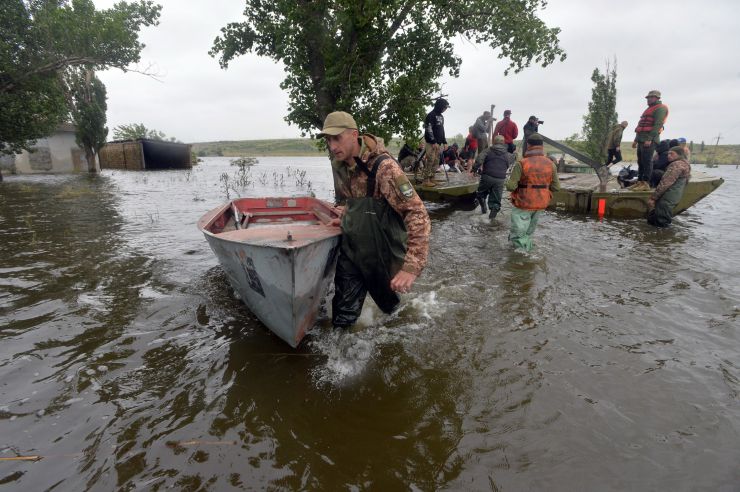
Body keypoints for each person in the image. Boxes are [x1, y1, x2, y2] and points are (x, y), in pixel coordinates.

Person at [322, 111, 431, 328]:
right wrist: (346, 217)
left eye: (337, 138)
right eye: (328, 140)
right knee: (341, 320)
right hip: (352, 252)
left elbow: (417, 214)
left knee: (394, 316)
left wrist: (411, 267)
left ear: (354, 135)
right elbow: (354, 200)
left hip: (382, 255)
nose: (332, 146)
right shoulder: (341, 165)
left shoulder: (384, 168)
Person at [505, 132, 560, 252]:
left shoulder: (522, 163)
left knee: (518, 235)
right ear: (542, 146)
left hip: (523, 203)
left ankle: (520, 262)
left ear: (528, 145)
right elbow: (556, 187)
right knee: (528, 233)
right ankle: (528, 256)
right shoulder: (551, 164)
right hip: (540, 204)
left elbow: (510, 186)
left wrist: (506, 182)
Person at [631, 90, 669, 191]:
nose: (648, 99)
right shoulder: (649, 109)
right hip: (641, 139)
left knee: (647, 161)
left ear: (657, 98)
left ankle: (646, 183)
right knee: (640, 162)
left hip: (649, 140)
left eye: (651, 97)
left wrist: (649, 139)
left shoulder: (660, 108)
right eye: (648, 98)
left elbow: (658, 125)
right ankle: (640, 182)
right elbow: (641, 125)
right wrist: (636, 140)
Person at [647, 146, 690, 227]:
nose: (668, 156)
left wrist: (653, 198)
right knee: (658, 221)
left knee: (661, 222)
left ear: (679, 154)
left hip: (667, 198)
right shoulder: (685, 164)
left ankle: (661, 238)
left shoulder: (676, 165)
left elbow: (665, 183)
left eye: (672, 154)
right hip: (673, 197)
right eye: (668, 154)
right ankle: (662, 237)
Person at [474, 135, 514, 219]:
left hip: (487, 176)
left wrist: (474, 169)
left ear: (494, 141)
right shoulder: (508, 154)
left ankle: (482, 203)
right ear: (503, 143)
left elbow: (479, 160)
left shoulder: (487, 150)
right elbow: (512, 161)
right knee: (496, 198)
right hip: (500, 179)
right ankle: (493, 211)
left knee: (480, 193)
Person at [422, 98, 449, 187]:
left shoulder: (441, 117)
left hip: (439, 143)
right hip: (431, 143)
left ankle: (432, 177)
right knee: (430, 160)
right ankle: (426, 180)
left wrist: (445, 142)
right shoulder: (431, 115)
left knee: (436, 161)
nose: (445, 109)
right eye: (445, 107)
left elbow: (442, 130)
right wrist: (433, 141)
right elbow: (428, 129)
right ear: (440, 106)